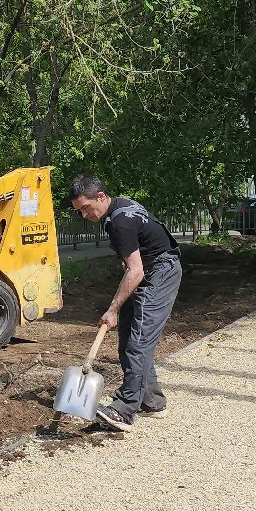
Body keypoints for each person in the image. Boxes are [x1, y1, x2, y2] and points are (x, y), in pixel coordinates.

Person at [68, 176, 183, 432]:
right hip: (149, 269)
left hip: (160, 273)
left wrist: (113, 309)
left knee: (139, 342)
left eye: (86, 208)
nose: (84, 215)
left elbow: (136, 271)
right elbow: (134, 258)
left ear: (100, 196)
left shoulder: (120, 221)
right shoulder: (117, 210)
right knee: (129, 339)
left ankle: (124, 409)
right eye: (79, 211)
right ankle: (151, 402)